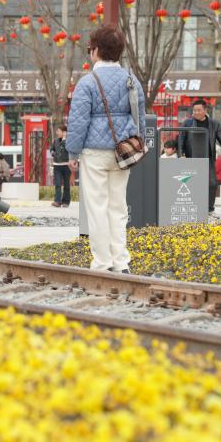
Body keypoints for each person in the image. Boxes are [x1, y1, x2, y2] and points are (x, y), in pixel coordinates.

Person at [65, 25, 146, 274]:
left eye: (90, 49)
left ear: (96, 51)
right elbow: (139, 119)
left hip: (94, 152)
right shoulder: (132, 81)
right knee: (118, 207)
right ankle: (121, 261)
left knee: (97, 208)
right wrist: (137, 143)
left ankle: (102, 263)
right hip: (123, 152)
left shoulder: (88, 83)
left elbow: (78, 122)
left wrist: (72, 152)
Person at [178, 99, 221, 216]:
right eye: (194, 110)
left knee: (212, 183)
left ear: (205, 110)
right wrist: (181, 154)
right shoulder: (188, 123)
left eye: (199, 110)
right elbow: (181, 139)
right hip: (191, 158)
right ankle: (194, 207)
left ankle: (210, 209)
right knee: (192, 184)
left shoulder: (214, 124)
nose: (196, 112)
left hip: (208, 158)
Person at [50, 125, 70, 207]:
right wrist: (52, 152)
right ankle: (57, 201)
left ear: (64, 132)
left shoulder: (69, 141)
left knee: (66, 184)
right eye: (57, 131)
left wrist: (65, 139)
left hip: (66, 165)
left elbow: (68, 148)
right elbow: (52, 149)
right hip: (57, 165)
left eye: (58, 131)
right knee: (57, 184)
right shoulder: (55, 141)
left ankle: (66, 201)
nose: (57, 132)